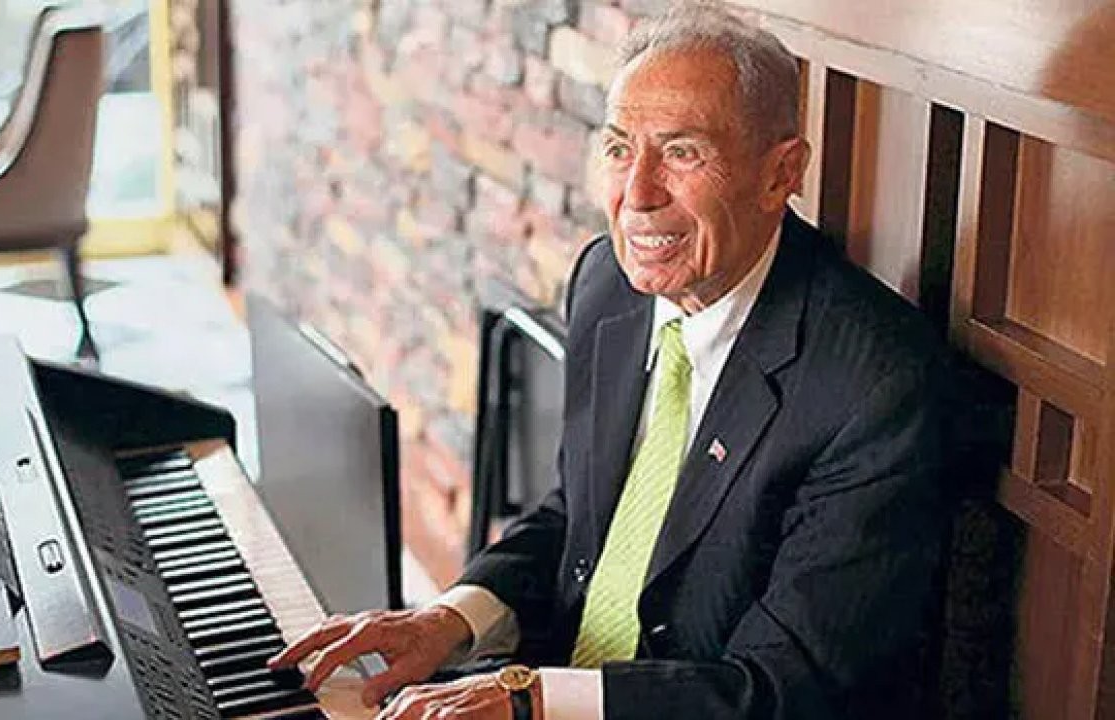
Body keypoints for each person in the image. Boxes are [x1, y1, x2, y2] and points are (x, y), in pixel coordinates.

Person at [272, 3, 948, 719]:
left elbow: (784, 688)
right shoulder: (607, 283)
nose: (637, 196)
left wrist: (530, 701)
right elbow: (581, 515)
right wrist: (450, 620)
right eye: (620, 149)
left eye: (682, 153)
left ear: (780, 174)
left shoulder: (875, 383)